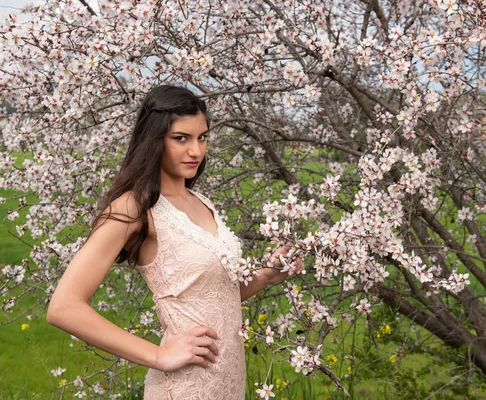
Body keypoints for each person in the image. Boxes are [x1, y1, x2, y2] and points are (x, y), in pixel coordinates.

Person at [46, 85, 301, 399]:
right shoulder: (134, 207)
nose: (196, 151)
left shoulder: (200, 201)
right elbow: (63, 307)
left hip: (228, 383)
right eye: (181, 138)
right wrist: (158, 355)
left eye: (202, 137)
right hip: (183, 388)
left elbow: (209, 295)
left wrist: (267, 276)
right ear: (155, 140)